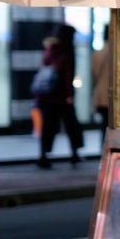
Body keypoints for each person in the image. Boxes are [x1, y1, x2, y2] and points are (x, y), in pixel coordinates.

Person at [34, 23, 83, 169]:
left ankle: (44, 155)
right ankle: (75, 153)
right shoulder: (66, 51)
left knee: (48, 127)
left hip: (45, 96)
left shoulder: (49, 49)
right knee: (71, 125)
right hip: (60, 97)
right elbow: (68, 75)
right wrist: (70, 95)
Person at [91, 23, 113, 129]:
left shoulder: (97, 53)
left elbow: (94, 77)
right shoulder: (116, 53)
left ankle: (103, 145)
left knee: (104, 125)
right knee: (111, 124)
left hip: (100, 96)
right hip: (112, 95)